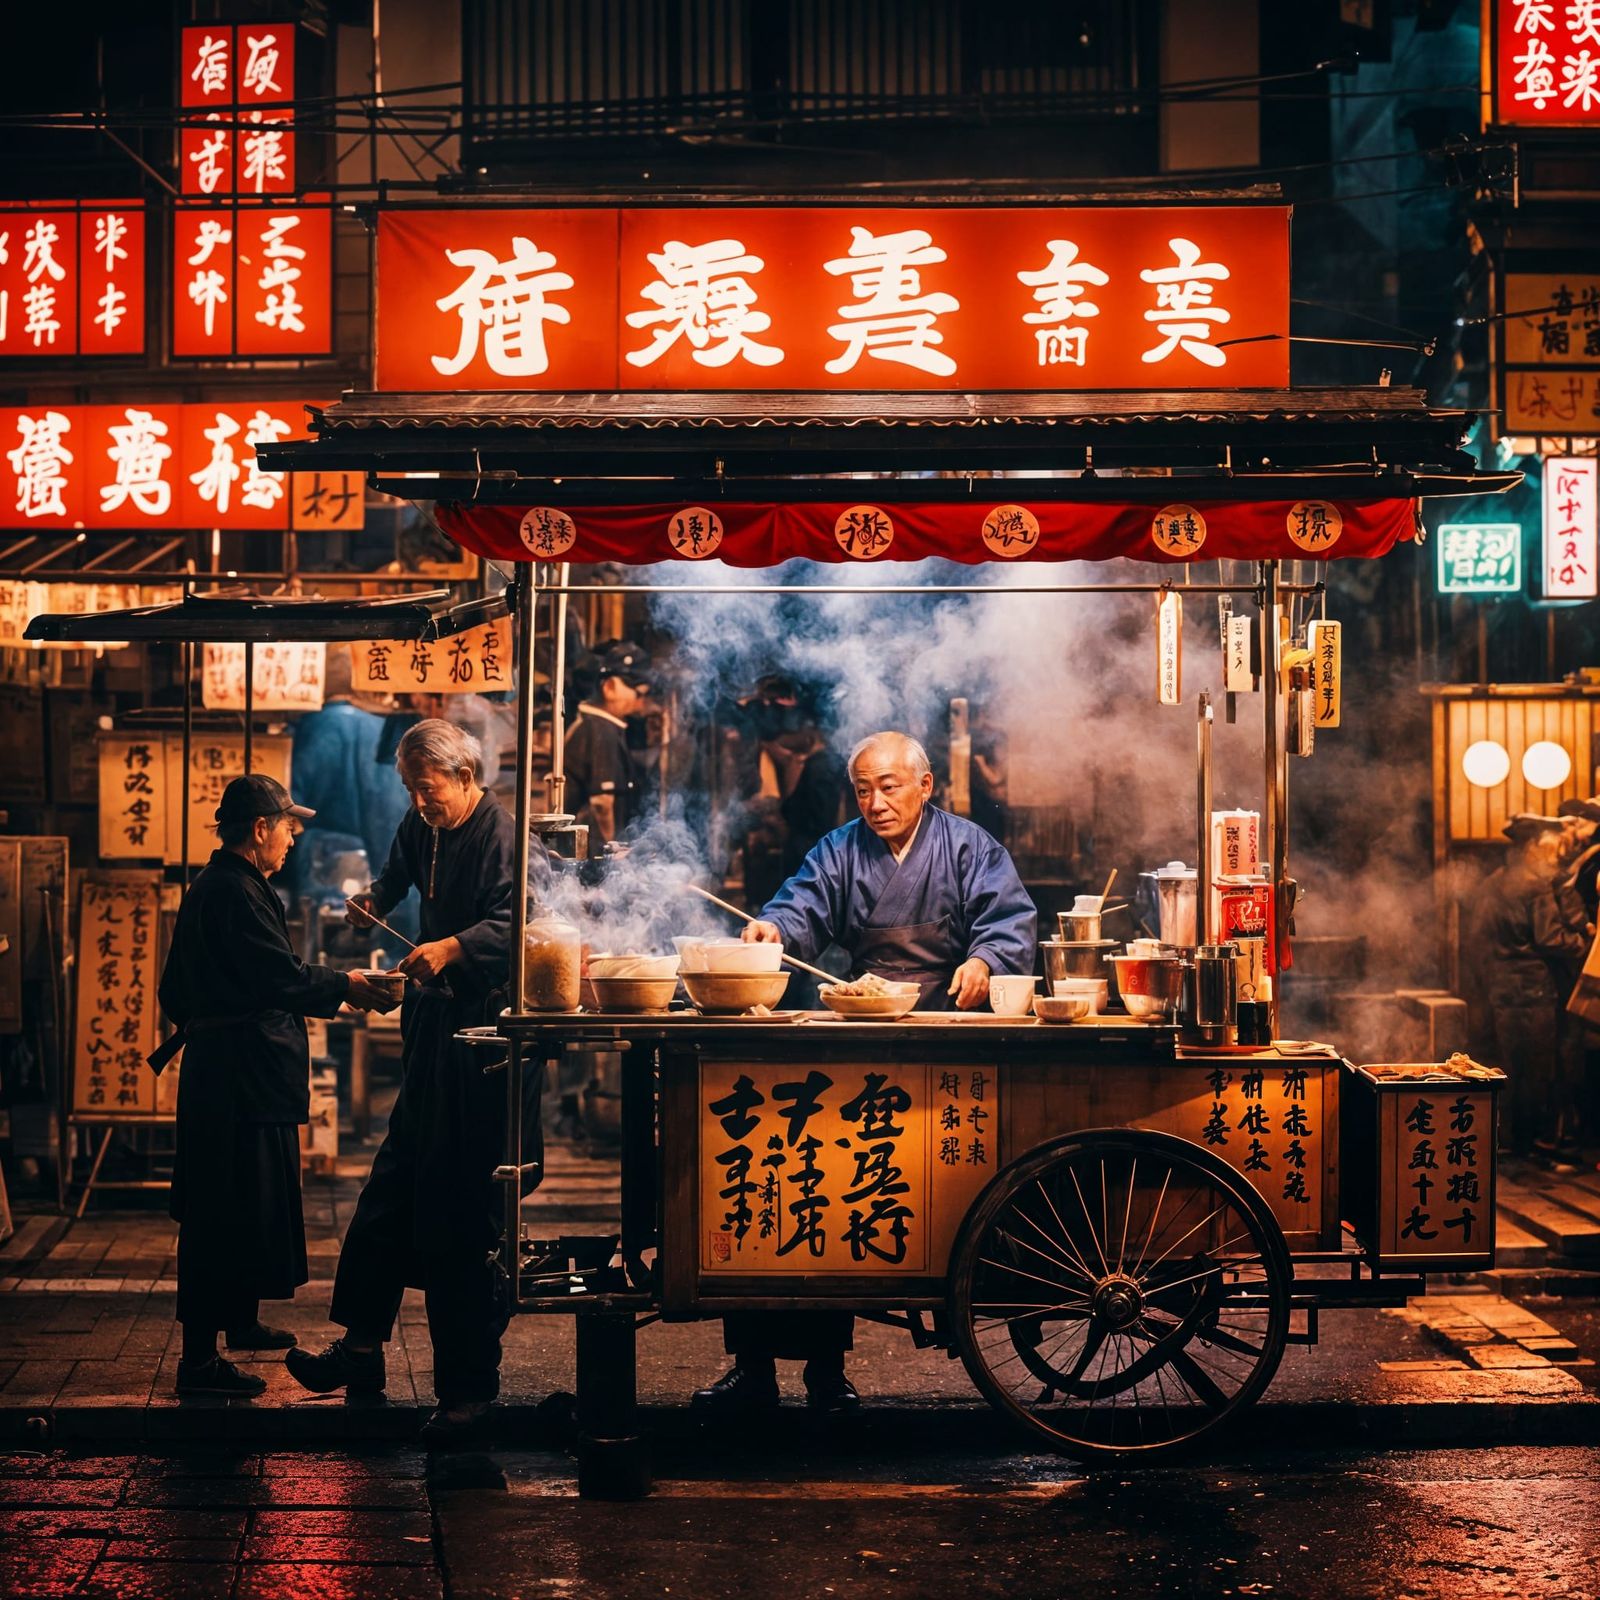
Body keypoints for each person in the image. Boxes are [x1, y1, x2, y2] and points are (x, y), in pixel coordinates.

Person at [691, 730, 1037, 1417]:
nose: (876, 803)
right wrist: (774, 929)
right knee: (800, 1183)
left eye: (889, 787)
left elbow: (1008, 922)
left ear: (925, 786)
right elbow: (801, 903)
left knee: (884, 1205)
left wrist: (985, 961)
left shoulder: (969, 848)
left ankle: (826, 1372)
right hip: (862, 1037)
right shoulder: (840, 849)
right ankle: (755, 1367)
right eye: (863, 791)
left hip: (942, 1040)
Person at [286, 719, 549, 1444]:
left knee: (458, 1215)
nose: (417, 801)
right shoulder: (422, 825)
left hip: (488, 1042)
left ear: (464, 776)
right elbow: (398, 872)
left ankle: (467, 1391)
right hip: (434, 1034)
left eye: (426, 788)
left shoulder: (503, 836)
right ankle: (360, 1348)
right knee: (390, 1189)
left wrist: (455, 946)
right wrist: (375, 898)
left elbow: (524, 925)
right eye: (408, 788)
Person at [156, 775, 392, 1397]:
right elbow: (278, 977)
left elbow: (176, 990)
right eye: (288, 827)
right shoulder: (231, 890)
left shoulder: (228, 885)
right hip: (236, 1081)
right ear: (259, 829)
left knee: (245, 1204)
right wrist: (346, 985)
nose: (293, 839)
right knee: (218, 1213)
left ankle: (239, 1321)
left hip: (237, 1074)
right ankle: (198, 1365)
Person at [1467, 813, 1589, 1167]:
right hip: (1533, 988)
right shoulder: (1534, 885)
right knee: (1537, 1069)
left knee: (1509, 1064)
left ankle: (1507, 1140)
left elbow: (1478, 937)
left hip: (1501, 986)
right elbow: (1550, 938)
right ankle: (1531, 1142)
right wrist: (1584, 942)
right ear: (1533, 847)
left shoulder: (1494, 882)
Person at [564, 641, 654, 845]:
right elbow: (602, 803)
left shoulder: (601, 726)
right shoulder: (601, 730)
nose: (641, 700)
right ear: (610, 687)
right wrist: (612, 848)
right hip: (591, 848)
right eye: (639, 693)